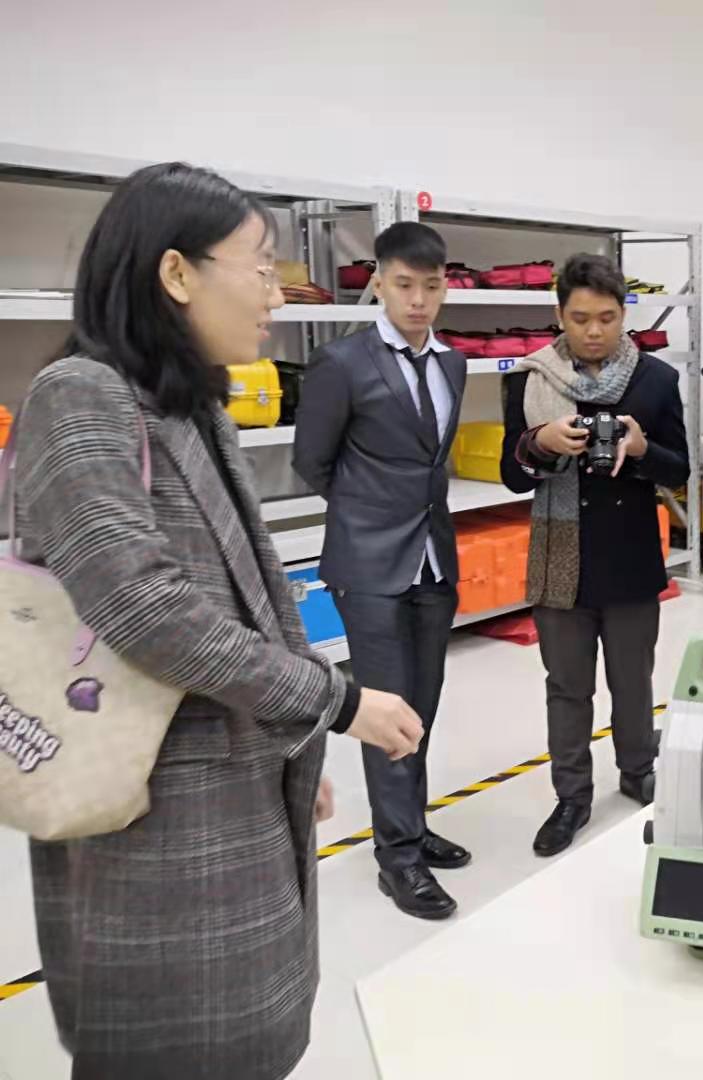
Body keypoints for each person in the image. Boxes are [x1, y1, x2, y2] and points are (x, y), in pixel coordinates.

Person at [12, 162, 422, 1079]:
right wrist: (335, 702)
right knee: (179, 1042)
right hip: (153, 811)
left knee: (246, 1031)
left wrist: (289, 746)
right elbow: (143, 603)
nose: (277, 294)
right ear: (176, 273)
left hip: (237, 781)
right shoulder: (81, 396)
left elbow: (255, 596)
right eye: (262, 268)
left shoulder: (192, 408)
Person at [293, 221, 469, 921]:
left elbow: (432, 459)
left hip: (433, 558)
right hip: (368, 563)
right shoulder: (342, 363)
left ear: (446, 287)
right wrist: (368, 513)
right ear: (379, 284)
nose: (418, 300)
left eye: (431, 286)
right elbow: (312, 460)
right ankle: (397, 860)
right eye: (404, 285)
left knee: (422, 706)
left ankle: (412, 827)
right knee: (386, 711)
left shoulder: (453, 364)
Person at [501, 254, 689, 856]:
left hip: (629, 556)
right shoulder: (530, 378)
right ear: (560, 314)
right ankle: (572, 796)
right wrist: (538, 442)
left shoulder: (655, 380)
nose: (593, 331)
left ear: (623, 314)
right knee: (567, 685)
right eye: (580, 318)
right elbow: (512, 474)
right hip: (561, 560)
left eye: (606, 318)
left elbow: (680, 470)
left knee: (633, 680)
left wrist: (643, 450)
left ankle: (637, 771)